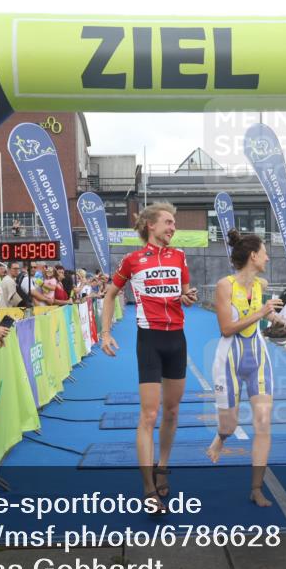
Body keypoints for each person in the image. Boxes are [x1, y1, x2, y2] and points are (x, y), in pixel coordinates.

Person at [100, 202, 198, 515]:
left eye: (174, 223)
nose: (173, 227)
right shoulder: (132, 260)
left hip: (176, 339)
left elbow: (185, 294)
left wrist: (187, 297)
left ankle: (162, 466)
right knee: (149, 414)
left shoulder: (180, 256)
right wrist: (105, 333)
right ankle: (148, 488)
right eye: (168, 222)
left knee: (171, 410)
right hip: (150, 339)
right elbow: (110, 294)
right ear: (150, 226)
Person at [206, 230, 286, 507]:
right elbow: (226, 328)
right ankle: (221, 438)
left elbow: (263, 315)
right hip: (228, 359)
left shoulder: (261, 284)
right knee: (229, 425)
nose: (268, 257)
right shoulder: (224, 286)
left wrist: (278, 321)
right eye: (265, 252)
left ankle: (256, 489)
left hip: (258, 358)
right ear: (253, 256)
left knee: (263, 424)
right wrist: (261, 312)